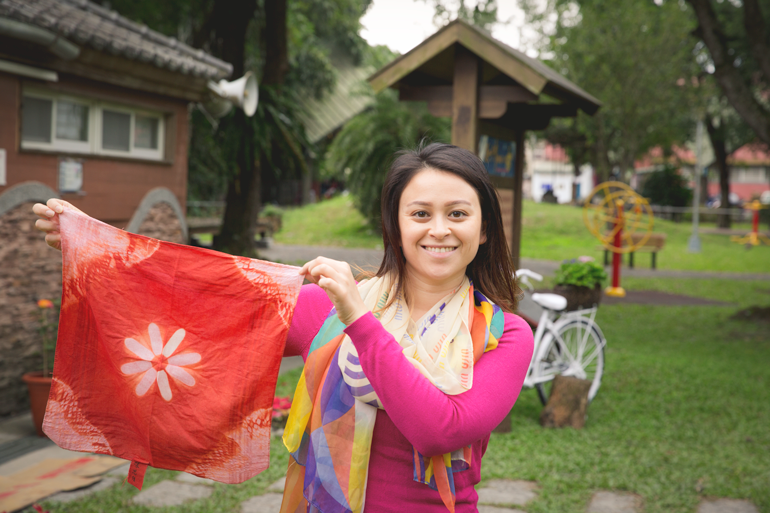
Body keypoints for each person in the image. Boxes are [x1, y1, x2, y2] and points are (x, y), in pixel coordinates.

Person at [33, 142, 534, 513]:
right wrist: (101, 252)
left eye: (458, 214)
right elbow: (212, 303)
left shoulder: (505, 335)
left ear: (484, 228)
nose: (439, 229)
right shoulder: (332, 306)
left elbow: (438, 430)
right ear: (396, 227)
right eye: (420, 213)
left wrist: (358, 318)